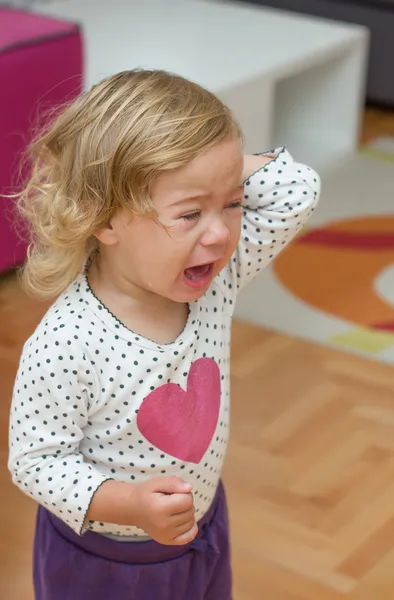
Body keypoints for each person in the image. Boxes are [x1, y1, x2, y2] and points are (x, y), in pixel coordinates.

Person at [8, 69, 320, 600]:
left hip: (200, 531)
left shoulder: (214, 282)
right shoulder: (68, 341)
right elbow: (35, 462)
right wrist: (127, 505)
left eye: (233, 203)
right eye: (190, 213)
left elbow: (298, 189)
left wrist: (211, 173)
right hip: (104, 562)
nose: (220, 233)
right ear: (103, 217)